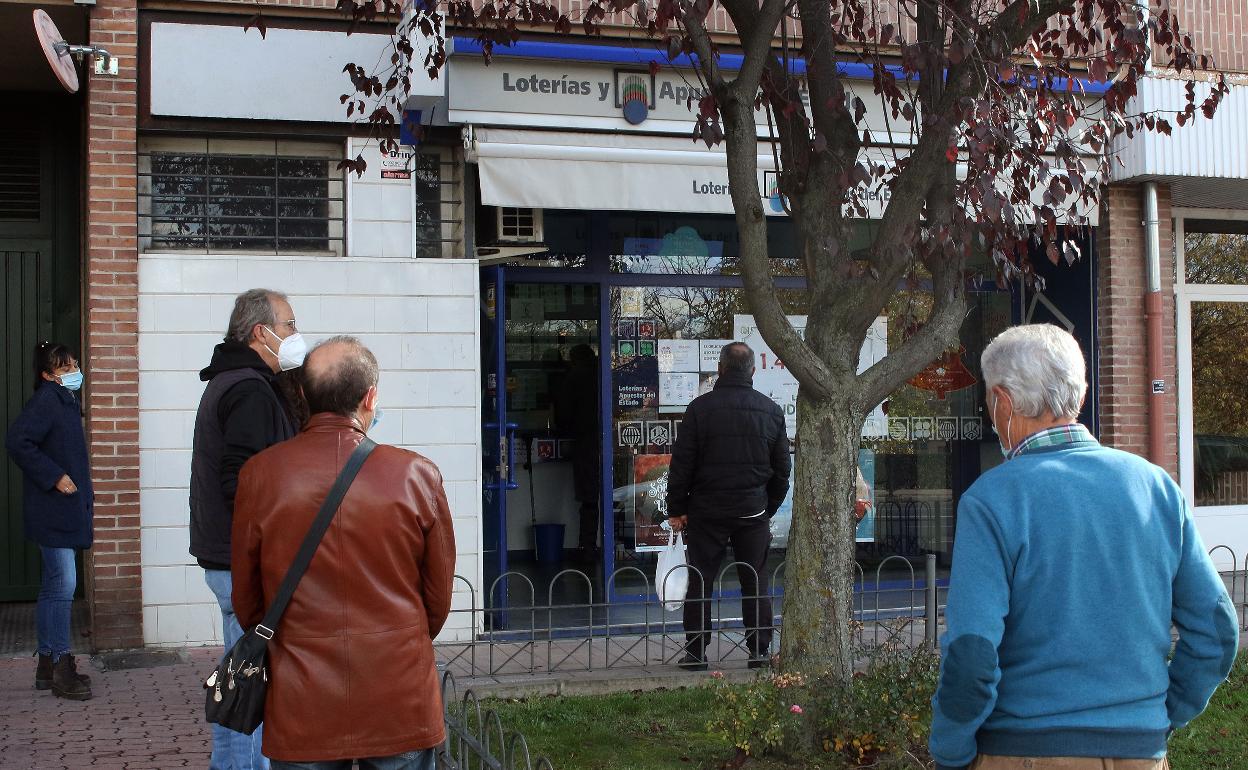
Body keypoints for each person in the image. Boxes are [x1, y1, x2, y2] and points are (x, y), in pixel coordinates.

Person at [930, 324, 1239, 770]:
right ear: (1081, 393)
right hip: (1140, 751)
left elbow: (972, 655)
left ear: (1003, 401)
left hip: (1024, 749)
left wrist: (950, 752)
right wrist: (1157, 718)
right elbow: (1217, 631)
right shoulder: (1156, 488)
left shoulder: (991, 499)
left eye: (989, 403)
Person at [232, 336, 457, 769]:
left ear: (302, 395)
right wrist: (397, 639)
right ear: (370, 398)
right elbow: (437, 599)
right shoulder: (417, 475)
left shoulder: (260, 475)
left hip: (301, 694)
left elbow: (247, 602)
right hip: (397, 690)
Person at [190, 288, 304, 770]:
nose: (296, 334)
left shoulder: (237, 381)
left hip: (228, 558)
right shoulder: (249, 389)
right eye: (290, 325)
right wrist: (270, 548)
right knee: (253, 688)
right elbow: (243, 481)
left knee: (238, 679)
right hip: (243, 563)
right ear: (262, 332)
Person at [666, 342, 790, 670]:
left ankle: (696, 652)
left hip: (707, 511)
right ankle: (759, 650)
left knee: (700, 580)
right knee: (755, 580)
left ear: (719, 369)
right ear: (752, 370)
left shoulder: (699, 409)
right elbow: (782, 470)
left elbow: (682, 465)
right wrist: (767, 507)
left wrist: (676, 508)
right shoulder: (770, 411)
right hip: (752, 511)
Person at [5, 342, 95, 700]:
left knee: (52, 586)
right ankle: (60, 665)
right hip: (52, 510)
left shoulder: (64, 400)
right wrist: (55, 476)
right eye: (64, 368)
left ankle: (46, 664)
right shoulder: (47, 400)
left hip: (60, 510)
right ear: (47, 375)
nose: (73, 372)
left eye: (73, 364)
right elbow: (18, 441)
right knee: (63, 586)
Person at [555, 344, 600, 562]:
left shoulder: (574, 378)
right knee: (610, 496)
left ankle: (587, 547)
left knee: (589, 499)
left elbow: (563, 414)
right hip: (605, 442)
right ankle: (603, 547)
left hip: (585, 442)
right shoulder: (602, 374)